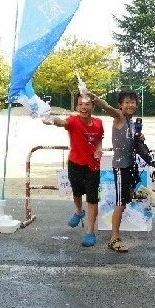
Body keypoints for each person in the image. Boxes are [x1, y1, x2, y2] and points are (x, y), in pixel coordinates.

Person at [43, 93, 104, 247]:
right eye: (81, 105)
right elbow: (61, 122)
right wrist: (51, 119)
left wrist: (99, 150)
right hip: (75, 163)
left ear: (93, 106)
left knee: (92, 198)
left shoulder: (98, 123)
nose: (84, 107)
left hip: (93, 166)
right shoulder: (73, 121)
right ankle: (78, 211)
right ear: (77, 106)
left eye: (87, 104)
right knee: (76, 192)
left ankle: (90, 232)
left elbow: (99, 140)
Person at [88, 90, 141, 253]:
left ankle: (115, 236)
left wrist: (139, 138)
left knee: (124, 202)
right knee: (120, 203)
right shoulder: (119, 117)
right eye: (127, 102)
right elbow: (107, 108)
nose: (130, 105)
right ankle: (114, 238)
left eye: (133, 102)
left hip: (130, 167)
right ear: (121, 105)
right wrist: (94, 98)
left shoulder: (132, 122)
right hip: (120, 167)